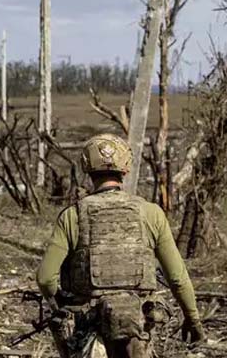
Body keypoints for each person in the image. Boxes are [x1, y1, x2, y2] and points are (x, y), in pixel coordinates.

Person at [36, 134, 205, 358]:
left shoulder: (72, 215)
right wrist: (192, 319)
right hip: (138, 327)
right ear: (125, 169)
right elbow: (177, 277)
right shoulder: (151, 213)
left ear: (87, 169)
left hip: (88, 327)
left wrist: (62, 303)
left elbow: (46, 278)